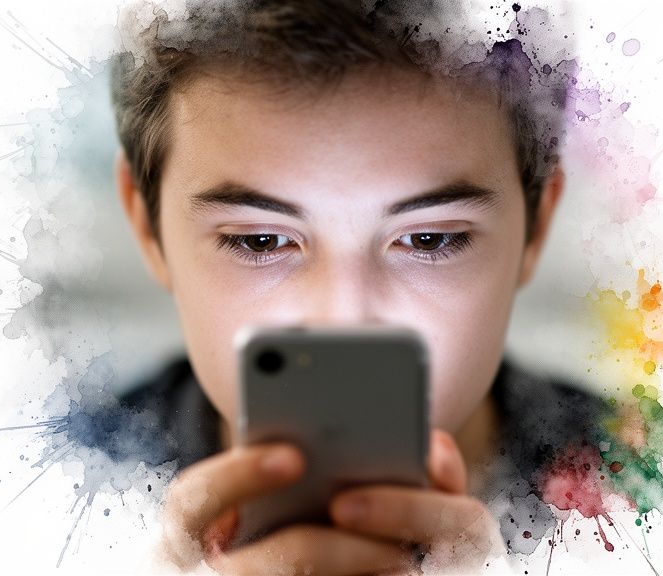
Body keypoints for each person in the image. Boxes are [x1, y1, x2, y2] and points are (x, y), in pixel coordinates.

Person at [101, 0, 610, 573]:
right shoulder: (44, 519)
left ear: (536, 226)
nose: (343, 320)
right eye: (260, 241)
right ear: (147, 227)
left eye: (430, 240)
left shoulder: (661, 502)